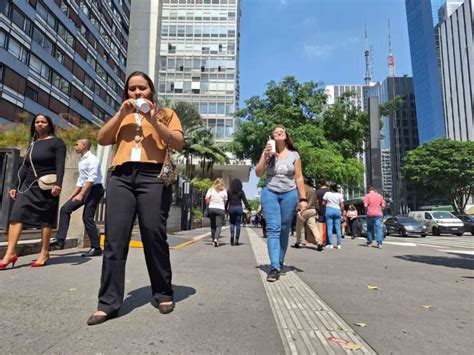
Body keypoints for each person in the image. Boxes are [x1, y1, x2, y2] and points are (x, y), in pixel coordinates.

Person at [86, 71, 184, 326]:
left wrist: (153, 119)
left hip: (152, 176)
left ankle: (163, 292)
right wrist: (121, 114)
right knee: (115, 239)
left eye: (142, 88)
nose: (137, 93)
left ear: (151, 90)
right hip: (121, 176)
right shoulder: (123, 115)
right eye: (132, 89)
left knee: (154, 233)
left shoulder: (166, 114)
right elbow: (102, 138)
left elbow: (178, 142)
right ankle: (107, 303)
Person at [0, 114, 66, 269]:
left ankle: (44, 252)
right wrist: (15, 186)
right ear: (34, 125)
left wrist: (58, 184)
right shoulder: (33, 143)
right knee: (16, 215)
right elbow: (25, 167)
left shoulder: (57, 142)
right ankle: (10, 253)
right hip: (28, 186)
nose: (40, 124)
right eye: (37, 122)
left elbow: (60, 164)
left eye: (43, 122)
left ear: (49, 125)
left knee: (45, 220)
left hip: (46, 186)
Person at [256, 126, 308, 282]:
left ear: (285, 136)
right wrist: (265, 156)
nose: (279, 133)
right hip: (270, 193)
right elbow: (258, 173)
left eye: (282, 132)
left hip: (289, 194)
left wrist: (303, 199)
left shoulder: (294, 155)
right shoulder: (267, 152)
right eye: (275, 132)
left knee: (285, 229)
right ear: (272, 137)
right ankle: (274, 267)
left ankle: (279, 260)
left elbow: (298, 177)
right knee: (273, 229)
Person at [50, 139, 104, 256]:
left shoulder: (92, 159)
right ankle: (60, 240)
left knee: (87, 217)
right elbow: (80, 181)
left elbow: (91, 179)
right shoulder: (82, 160)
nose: (75, 147)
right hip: (85, 189)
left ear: (84, 146)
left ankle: (96, 247)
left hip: (94, 190)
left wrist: (81, 194)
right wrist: (72, 196)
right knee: (65, 209)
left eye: (77, 144)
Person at [294, 177, 323, 251]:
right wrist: (317, 210)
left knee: (299, 226)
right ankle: (319, 242)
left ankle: (298, 242)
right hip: (312, 210)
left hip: (304, 210)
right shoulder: (312, 189)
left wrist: (299, 210)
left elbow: (298, 200)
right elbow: (316, 201)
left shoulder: (301, 189)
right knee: (313, 226)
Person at [227, 178, 251, 246]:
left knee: (232, 223)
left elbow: (227, 201)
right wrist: (249, 208)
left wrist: (226, 209)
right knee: (238, 224)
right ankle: (237, 240)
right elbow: (245, 201)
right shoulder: (241, 191)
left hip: (231, 208)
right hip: (239, 208)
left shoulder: (229, 191)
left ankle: (232, 235)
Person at [205, 178, 228, 247]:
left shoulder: (211, 189)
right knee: (218, 226)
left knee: (213, 225)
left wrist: (208, 204)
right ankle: (216, 239)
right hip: (220, 209)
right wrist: (223, 207)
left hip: (211, 208)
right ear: (222, 184)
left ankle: (213, 240)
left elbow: (206, 198)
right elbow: (225, 201)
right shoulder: (224, 191)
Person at [322, 184, 344, 249]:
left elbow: (323, 203)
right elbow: (342, 205)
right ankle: (339, 244)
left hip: (329, 210)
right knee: (338, 228)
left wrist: (326, 204)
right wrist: (341, 212)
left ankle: (330, 244)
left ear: (330, 188)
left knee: (329, 228)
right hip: (337, 210)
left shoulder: (327, 194)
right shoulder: (339, 195)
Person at [316, 179, 330, 244]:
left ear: (319, 184)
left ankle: (322, 240)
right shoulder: (329, 191)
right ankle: (328, 241)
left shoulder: (318, 192)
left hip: (320, 210)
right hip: (329, 209)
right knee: (328, 226)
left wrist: (316, 210)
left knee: (321, 226)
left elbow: (316, 202)